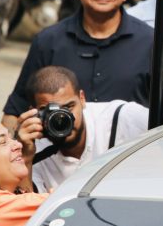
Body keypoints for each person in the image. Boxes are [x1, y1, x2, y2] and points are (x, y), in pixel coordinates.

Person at [2, 0, 163, 129]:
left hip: (131, 155)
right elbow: (16, 109)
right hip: (59, 156)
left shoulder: (151, 43)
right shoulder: (48, 42)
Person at [15, 66, 149, 193]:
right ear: (33, 111)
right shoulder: (33, 148)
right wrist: (25, 158)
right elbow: (25, 207)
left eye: (68, 107)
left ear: (82, 99)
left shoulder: (121, 118)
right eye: (49, 112)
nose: (61, 118)